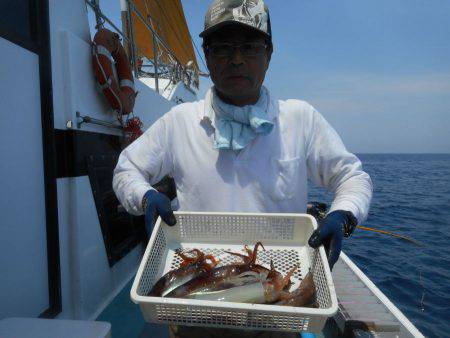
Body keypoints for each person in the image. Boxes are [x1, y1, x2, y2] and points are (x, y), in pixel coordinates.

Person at [113, 0, 372, 336]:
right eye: (222, 48)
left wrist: (345, 215)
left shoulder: (299, 119)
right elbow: (126, 169)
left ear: (269, 53)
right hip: (196, 310)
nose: (236, 59)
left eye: (249, 46)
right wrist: (144, 196)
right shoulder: (180, 122)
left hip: (278, 309)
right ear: (206, 56)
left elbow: (352, 177)